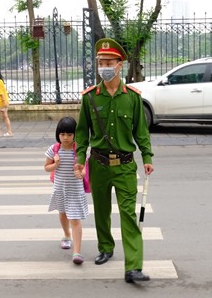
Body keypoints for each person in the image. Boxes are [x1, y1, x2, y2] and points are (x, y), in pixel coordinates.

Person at [74, 37, 154, 283]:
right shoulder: (89, 98)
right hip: (97, 164)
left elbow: (141, 131)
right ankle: (105, 248)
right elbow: (81, 132)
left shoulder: (132, 97)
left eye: (109, 62)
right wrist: (79, 158)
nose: (104, 66)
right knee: (101, 211)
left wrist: (147, 156)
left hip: (126, 165)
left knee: (129, 214)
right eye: (101, 62)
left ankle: (133, 267)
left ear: (120, 65)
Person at [44, 116, 89, 265]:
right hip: (60, 188)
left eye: (69, 134)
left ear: (75, 135)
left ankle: (77, 252)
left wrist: (80, 173)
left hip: (75, 190)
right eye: (62, 134)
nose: (66, 138)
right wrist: (55, 165)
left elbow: (85, 171)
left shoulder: (80, 150)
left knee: (74, 219)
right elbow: (46, 168)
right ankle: (66, 235)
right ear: (58, 134)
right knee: (62, 214)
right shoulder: (54, 149)